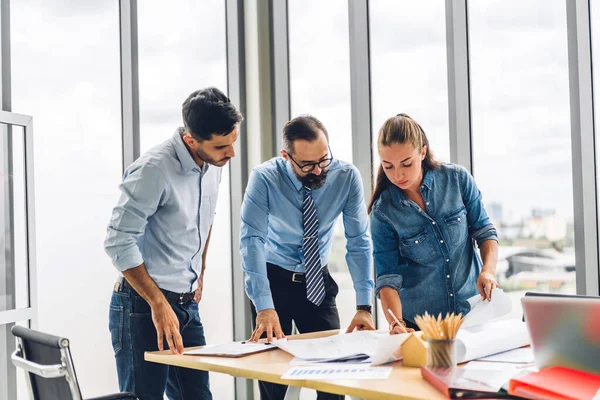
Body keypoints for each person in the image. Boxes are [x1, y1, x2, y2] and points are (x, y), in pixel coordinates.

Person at [104, 87, 242, 399]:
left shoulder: (213, 165)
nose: (231, 153)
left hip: (186, 306)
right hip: (141, 307)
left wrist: (201, 268)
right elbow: (117, 241)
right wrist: (158, 303)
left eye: (234, 140)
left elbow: (205, 217)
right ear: (191, 139)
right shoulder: (154, 170)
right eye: (222, 146)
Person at [240, 115, 374, 400]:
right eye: (307, 165)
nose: (317, 170)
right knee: (273, 381)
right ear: (286, 156)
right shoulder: (264, 178)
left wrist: (365, 305)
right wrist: (264, 306)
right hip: (273, 281)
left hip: (317, 281)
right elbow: (251, 241)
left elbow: (359, 241)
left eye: (323, 160)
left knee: (334, 380)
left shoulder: (346, 177)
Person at [368, 114, 499, 335]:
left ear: (423, 152)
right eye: (388, 166)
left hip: (473, 317)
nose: (398, 174)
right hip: (420, 326)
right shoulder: (383, 212)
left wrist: (488, 271)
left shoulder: (456, 179)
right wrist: (395, 323)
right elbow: (387, 277)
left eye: (406, 164)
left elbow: (485, 231)